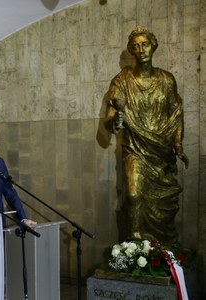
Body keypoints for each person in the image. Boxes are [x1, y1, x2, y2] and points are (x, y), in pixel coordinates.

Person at [104, 26, 189, 244]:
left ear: (153, 46)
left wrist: (178, 144)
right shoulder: (121, 82)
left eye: (145, 44)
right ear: (131, 51)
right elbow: (109, 119)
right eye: (136, 46)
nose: (141, 50)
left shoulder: (167, 80)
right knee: (132, 195)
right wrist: (116, 118)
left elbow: (176, 114)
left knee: (163, 203)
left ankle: (161, 247)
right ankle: (134, 247)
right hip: (135, 150)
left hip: (161, 151)